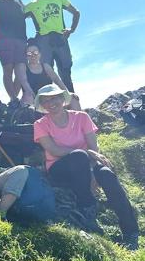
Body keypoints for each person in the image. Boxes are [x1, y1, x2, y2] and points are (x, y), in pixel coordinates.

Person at [33, 84, 139, 249]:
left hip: (86, 162)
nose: (51, 103)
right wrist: (87, 155)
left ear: (62, 99)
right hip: (59, 168)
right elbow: (54, 150)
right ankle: (87, 207)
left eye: (54, 98)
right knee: (79, 155)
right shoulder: (40, 124)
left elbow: (93, 147)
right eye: (45, 100)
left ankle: (130, 231)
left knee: (107, 175)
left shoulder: (82, 117)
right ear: (42, 105)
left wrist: (92, 172)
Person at [24, 0, 80, 93]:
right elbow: (17, 19)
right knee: (46, 72)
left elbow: (76, 12)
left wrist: (72, 29)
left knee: (65, 70)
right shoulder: (31, 6)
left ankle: (70, 100)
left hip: (60, 38)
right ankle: (47, 101)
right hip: (43, 40)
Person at [0, 0, 32, 105]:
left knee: (21, 72)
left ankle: (14, 100)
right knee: (8, 70)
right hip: (5, 40)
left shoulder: (20, 2)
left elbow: (27, 14)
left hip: (21, 40)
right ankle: (14, 100)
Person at [23, 39, 81, 110]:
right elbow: (24, 82)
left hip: (50, 97)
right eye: (29, 53)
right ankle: (32, 119)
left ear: (40, 54)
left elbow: (57, 80)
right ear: (26, 56)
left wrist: (67, 93)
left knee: (73, 98)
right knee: (27, 96)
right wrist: (35, 99)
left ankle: (79, 120)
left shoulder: (46, 66)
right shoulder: (22, 67)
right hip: (34, 99)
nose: (32, 55)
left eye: (35, 52)